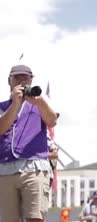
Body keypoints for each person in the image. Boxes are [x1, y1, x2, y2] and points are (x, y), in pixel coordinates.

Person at [0, 64, 58, 222]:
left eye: (26, 78)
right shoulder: (2, 107)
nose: (22, 81)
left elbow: (52, 121)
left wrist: (40, 102)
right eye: (17, 77)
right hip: (5, 170)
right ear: (9, 81)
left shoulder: (39, 104)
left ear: (32, 80)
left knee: (35, 217)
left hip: (34, 167)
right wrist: (15, 104)